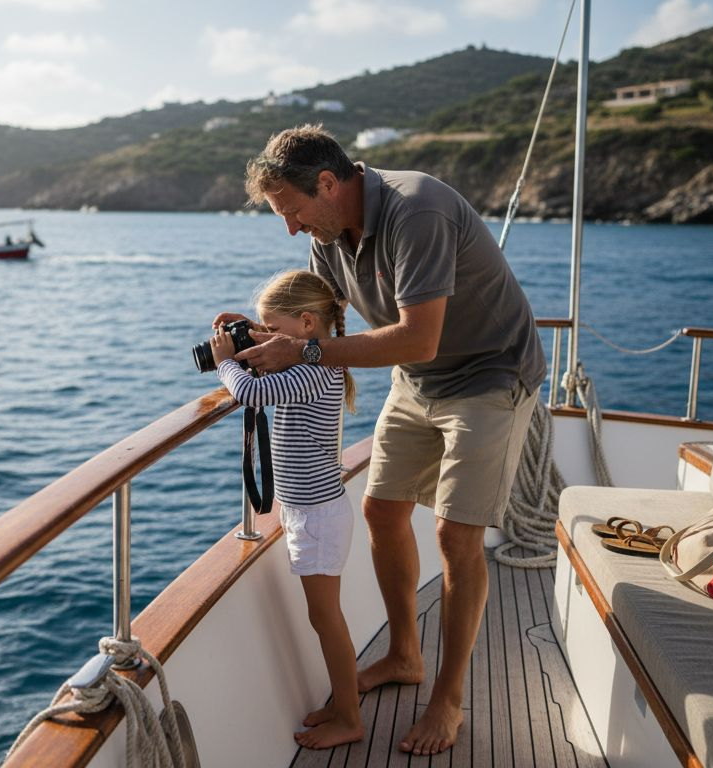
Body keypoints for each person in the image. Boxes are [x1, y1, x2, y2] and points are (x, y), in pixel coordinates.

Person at [225, 124, 546, 756]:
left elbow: (415, 336)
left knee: (457, 534)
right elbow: (325, 316)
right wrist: (259, 336)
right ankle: (404, 655)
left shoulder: (416, 209)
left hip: (488, 374)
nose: (290, 228)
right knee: (382, 509)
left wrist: (306, 349)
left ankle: (447, 700)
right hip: (418, 379)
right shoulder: (328, 237)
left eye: (291, 211)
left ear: (327, 183)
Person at [210, 269, 363, 750]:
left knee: (327, 620)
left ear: (305, 325)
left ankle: (351, 717)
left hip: (317, 517)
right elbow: (276, 364)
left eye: (275, 331)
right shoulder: (310, 361)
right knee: (325, 617)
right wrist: (253, 335)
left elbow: (252, 392)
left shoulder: (313, 371)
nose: (270, 341)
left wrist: (224, 363)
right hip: (311, 511)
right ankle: (342, 704)